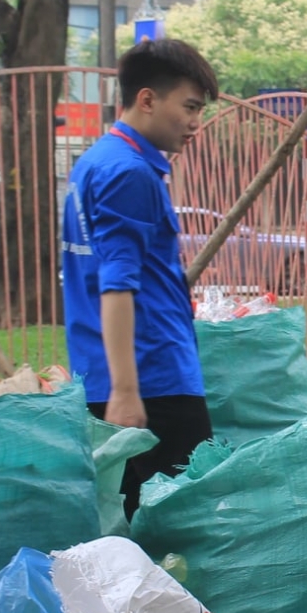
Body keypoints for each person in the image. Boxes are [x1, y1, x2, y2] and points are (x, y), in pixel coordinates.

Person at [62, 37, 219, 517]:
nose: (197, 123)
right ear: (147, 99)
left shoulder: (97, 162)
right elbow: (116, 285)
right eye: (189, 107)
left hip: (121, 376)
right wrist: (126, 393)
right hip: (153, 382)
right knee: (183, 526)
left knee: (135, 524)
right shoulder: (127, 173)